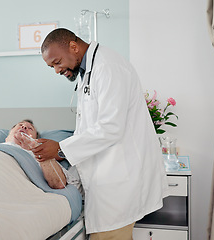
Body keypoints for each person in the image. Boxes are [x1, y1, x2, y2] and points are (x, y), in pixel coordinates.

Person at [32, 28, 169, 239]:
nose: (57, 70)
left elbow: (111, 127)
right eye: (52, 66)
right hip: (109, 180)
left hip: (120, 179)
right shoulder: (87, 71)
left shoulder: (108, 67)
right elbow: (90, 128)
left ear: (73, 46)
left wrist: (60, 149)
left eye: (57, 62)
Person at [4, 119, 79, 189]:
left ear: (34, 138)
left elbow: (59, 183)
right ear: (8, 135)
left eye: (30, 128)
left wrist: (37, 149)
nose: (24, 127)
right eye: (20, 125)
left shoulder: (40, 156)